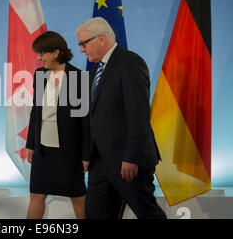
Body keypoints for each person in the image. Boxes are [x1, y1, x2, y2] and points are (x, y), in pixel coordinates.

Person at [75, 17, 167, 219]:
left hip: (126, 161)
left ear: (100, 39)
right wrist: (86, 154)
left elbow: (138, 115)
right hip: (99, 162)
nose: (81, 49)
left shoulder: (130, 63)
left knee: (148, 213)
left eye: (84, 43)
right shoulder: (94, 71)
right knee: (96, 214)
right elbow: (94, 118)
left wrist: (131, 157)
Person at [25, 31, 90, 219]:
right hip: (42, 149)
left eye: (41, 54)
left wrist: (86, 154)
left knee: (78, 198)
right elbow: (35, 112)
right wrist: (30, 143)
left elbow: (85, 122)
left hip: (69, 152)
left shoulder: (78, 78)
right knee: (36, 194)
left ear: (55, 52)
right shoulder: (40, 75)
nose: (38, 58)